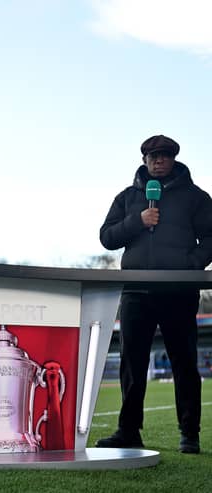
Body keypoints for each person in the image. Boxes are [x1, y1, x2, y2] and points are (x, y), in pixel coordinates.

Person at [96, 135, 212, 454]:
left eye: (164, 155)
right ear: (144, 160)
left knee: (184, 362)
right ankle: (128, 431)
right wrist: (138, 221)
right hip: (135, 291)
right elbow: (106, 237)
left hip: (178, 290)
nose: (158, 160)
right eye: (152, 156)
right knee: (132, 365)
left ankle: (190, 433)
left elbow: (210, 237)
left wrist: (191, 265)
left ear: (173, 159)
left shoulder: (195, 198)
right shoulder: (128, 197)